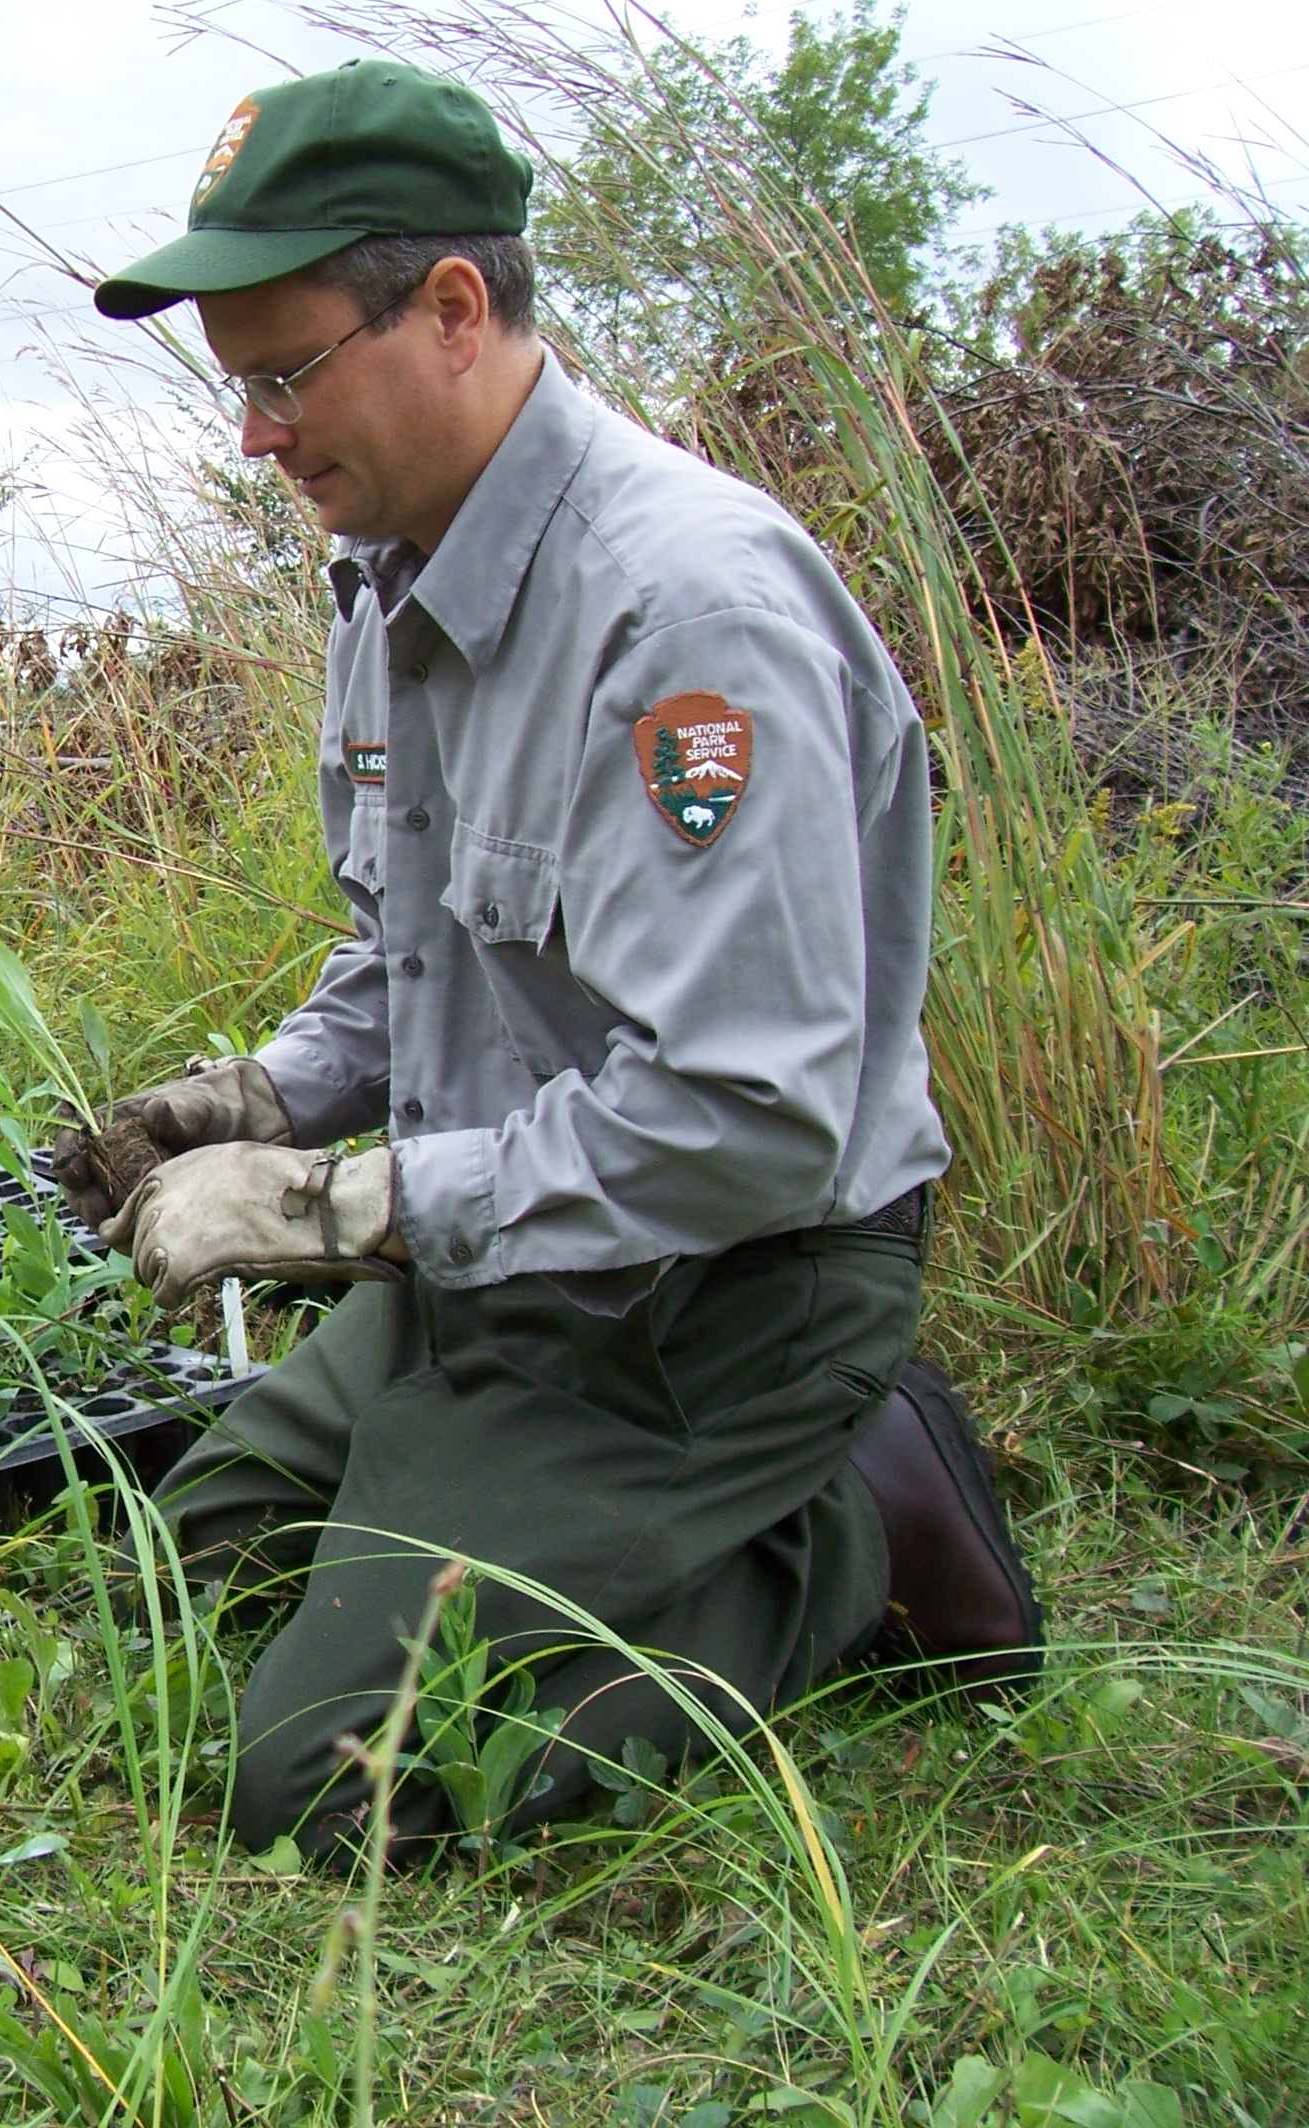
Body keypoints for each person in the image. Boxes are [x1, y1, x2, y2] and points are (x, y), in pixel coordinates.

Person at [60, 61, 1043, 1862]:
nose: (256, 437)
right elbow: (412, 954)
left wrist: (334, 1205)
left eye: (285, 376)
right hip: (504, 1253)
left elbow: (749, 1118)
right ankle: (524, 1494)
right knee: (172, 1574)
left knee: (334, 1786)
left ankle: (849, 1521)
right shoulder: (390, 572)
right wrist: (259, 1096)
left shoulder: (687, 618)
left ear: (450, 309)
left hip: (724, 1287)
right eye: (237, 389)